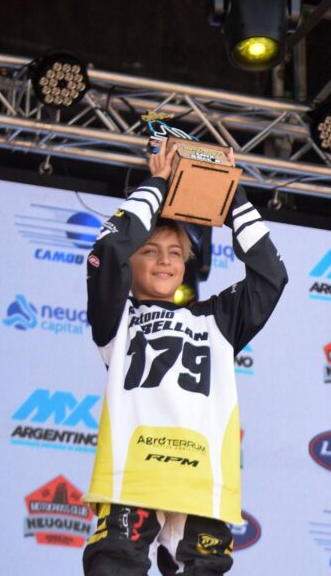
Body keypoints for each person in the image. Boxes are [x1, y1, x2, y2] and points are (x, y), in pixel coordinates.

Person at [81, 140, 288, 575]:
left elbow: (271, 274)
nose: (164, 262)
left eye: (175, 253)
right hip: (132, 480)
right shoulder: (116, 318)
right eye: (151, 251)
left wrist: (233, 197)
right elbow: (109, 250)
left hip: (201, 484)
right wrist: (156, 183)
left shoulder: (218, 319)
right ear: (133, 262)